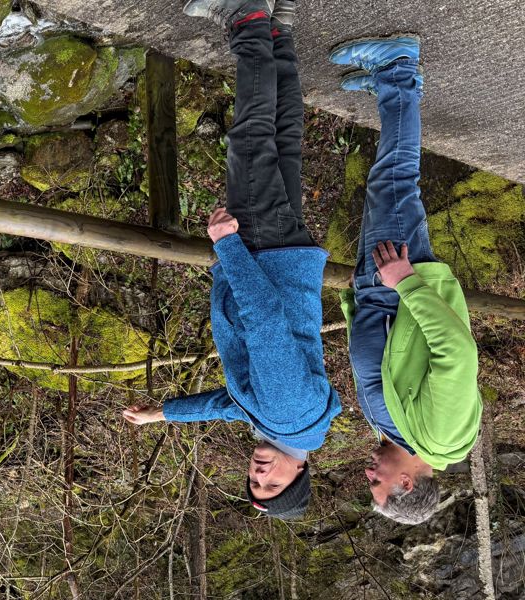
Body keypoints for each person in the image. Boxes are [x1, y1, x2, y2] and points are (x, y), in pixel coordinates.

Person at [122, 0, 341, 521]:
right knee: (250, 138)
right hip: (263, 253)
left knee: (283, 144)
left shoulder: (293, 425)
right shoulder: (287, 411)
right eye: (271, 484)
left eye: (253, 482)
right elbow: (264, 324)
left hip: (287, 258)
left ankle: (279, 31)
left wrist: (165, 415)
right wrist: (228, 246)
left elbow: (230, 402)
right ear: (299, 473)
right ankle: (246, 17)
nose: (258, 474)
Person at [330, 35, 481, 524]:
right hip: (399, 279)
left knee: (386, 184)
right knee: (394, 179)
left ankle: (387, 91)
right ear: (406, 483)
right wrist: (405, 282)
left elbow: (383, 365)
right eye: (377, 483)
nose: (368, 473)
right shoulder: (442, 435)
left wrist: (358, 302)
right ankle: (398, 67)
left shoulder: (400, 434)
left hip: (377, 288)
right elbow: (455, 352)